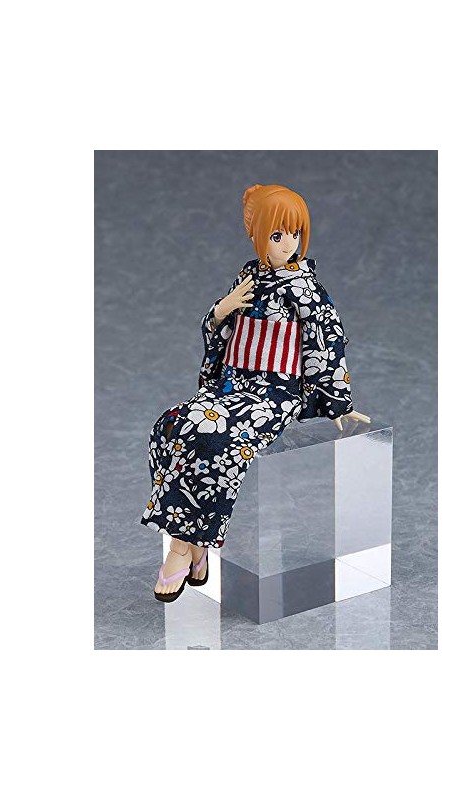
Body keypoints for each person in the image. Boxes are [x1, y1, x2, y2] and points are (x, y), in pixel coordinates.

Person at [141, 183, 370, 601]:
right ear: (257, 235)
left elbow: (326, 342)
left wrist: (336, 401)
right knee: (169, 426)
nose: (288, 244)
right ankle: (195, 548)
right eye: (277, 235)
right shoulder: (248, 277)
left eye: (295, 234)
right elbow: (220, 328)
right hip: (233, 382)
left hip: (274, 393)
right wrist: (222, 309)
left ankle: (181, 548)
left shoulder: (305, 289)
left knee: (212, 437)